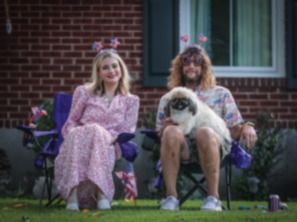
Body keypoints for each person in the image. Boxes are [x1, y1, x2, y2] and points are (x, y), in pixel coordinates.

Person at [156, 44, 257, 211]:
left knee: (205, 132)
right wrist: (167, 129)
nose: (191, 66)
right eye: (187, 62)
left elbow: (234, 129)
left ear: (204, 67)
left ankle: (213, 198)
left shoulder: (221, 93)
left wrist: (248, 126)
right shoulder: (170, 97)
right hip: (183, 149)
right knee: (171, 131)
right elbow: (161, 133)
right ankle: (171, 198)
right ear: (180, 67)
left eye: (197, 62)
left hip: (213, 146)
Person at [54, 41, 140, 211]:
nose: (111, 71)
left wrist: (103, 134)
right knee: (87, 131)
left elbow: (127, 130)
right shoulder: (84, 92)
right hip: (79, 140)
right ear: (99, 73)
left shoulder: (131, 100)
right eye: (105, 68)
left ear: (121, 69)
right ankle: (73, 197)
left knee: (98, 132)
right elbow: (72, 121)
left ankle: (101, 193)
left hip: (109, 143)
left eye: (115, 66)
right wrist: (76, 133)